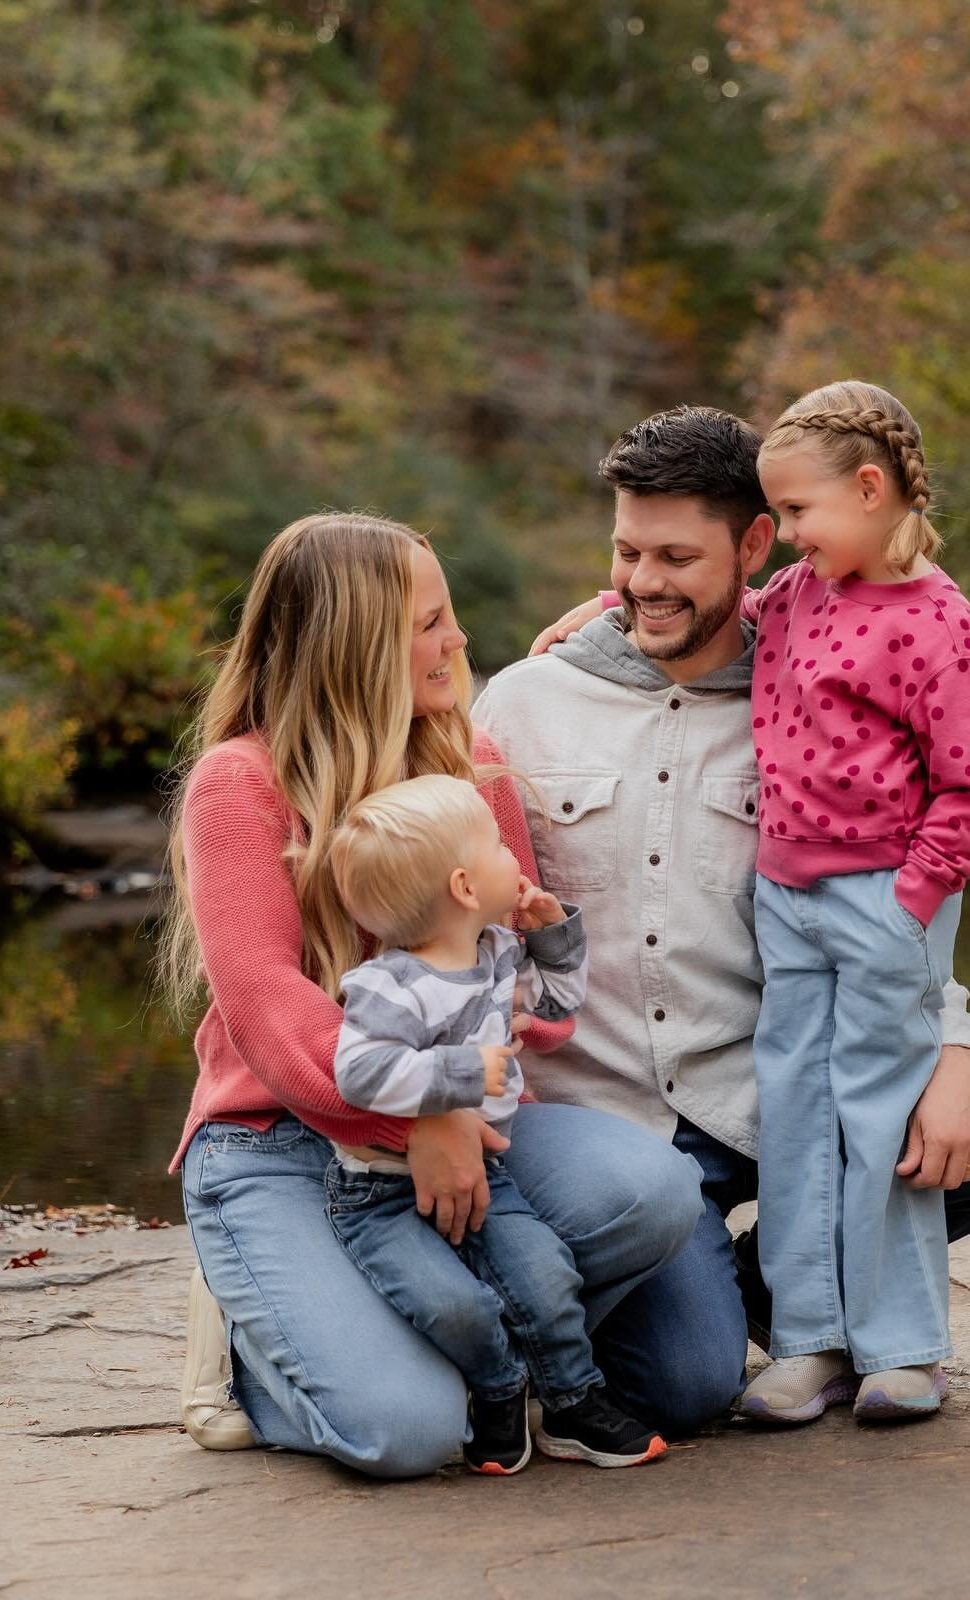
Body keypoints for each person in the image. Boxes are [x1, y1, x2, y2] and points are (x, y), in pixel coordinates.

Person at [476, 405, 970, 1437]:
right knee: (684, 1387)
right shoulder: (525, 703)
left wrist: (948, 1039)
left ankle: (814, 1302)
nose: (643, 582)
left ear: (759, 545)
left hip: (755, 1086)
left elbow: (896, 856)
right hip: (614, 1129)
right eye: (626, 552)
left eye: (679, 556)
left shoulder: (803, 669)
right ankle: (748, 1302)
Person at [162, 511, 703, 1476]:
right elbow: (267, 1006)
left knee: (655, 1193)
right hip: (280, 1143)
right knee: (407, 1432)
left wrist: (535, 961)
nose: (457, 640)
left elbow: (527, 1001)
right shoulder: (238, 785)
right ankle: (249, 1346)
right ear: (354, 643)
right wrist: (423, 1111)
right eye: (430, 623)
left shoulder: (469, 771)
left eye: (450, 616)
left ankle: (493, 1352)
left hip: (472, 1129)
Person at [739, 381, 970, 1425]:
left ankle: (904, 1345)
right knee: (795, 1117)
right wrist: (605, 611)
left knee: (877, 1117)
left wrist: (911, 902)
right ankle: (809, 1342)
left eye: (799, 513)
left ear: (871, 487)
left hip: (886, 897)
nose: (788, 537)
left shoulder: (939, 625)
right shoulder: (804, 591)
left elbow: (967, 792)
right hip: (783, 894)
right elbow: (734, 616)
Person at [326, 774, 668, 1473]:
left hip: (487, 1169)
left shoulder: (495, 955)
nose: (514, 853)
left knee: (544, 1277)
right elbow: (358, 1074)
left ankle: (573, 1403)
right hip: (379, 1196)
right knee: (459, 1306)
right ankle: (499, 1391)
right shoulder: (387, 984)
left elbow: (555, 1005)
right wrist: (457, 1078)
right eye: (498, 845)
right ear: (462, 885)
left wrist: (551, 936)